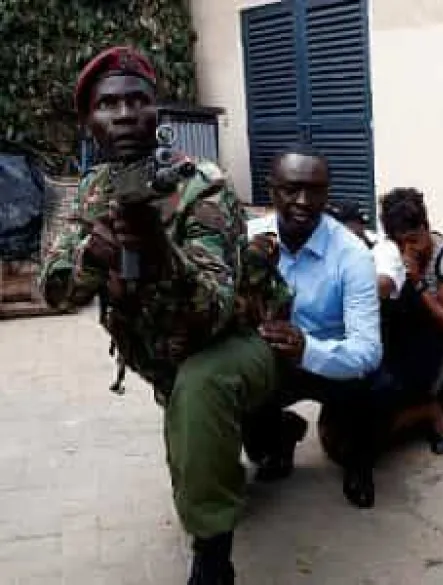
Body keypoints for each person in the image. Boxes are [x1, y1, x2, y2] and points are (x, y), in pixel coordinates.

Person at [38, 47, 290, 585]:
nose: (125, 114)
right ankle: (275, 433)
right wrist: (93, 258)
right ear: (88, 122)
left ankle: (213, 557)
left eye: (138, 101)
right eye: (108, 105)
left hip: (242, 339)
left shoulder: (201, 184)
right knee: (210, 421)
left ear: (158, 113)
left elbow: (216, 310)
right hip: (166, 355)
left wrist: (159, 252)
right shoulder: (92, 190)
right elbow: (53, 290)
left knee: (200, 395)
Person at [246, 144, 383, 509]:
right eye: (291, 189)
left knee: (365, 391)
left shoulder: (352, 254)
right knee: (243, 411)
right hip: (270, 362)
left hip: (330, 361)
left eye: (315, 190)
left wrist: (307, 349)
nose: (303, 202)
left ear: (327, 193)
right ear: (271, 189)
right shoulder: (248, 240)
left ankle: (358, 464)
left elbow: (368, 350)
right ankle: (281, 434)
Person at [379, 187, 443, 454]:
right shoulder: (390, 252)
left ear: (425, 227)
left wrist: (418, 283)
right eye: (400, 243)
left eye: (413, 240)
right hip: (409, 337)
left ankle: (438, 411)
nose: (407, 249)